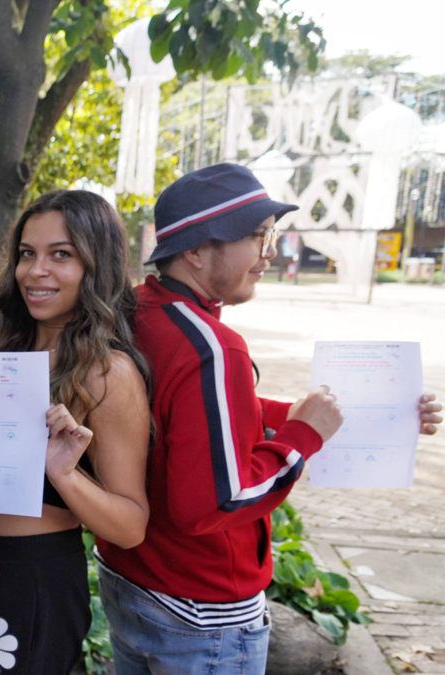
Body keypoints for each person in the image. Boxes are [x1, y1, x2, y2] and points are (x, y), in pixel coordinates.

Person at [97, 163, 443, 675]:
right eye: (258, 236)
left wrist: (361, 418)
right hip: (203, 612)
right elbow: (218, 500)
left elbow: (193, 417)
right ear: (197, 250)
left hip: (136, 583)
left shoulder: (137, 311)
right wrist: (303, 437)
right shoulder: (213, 348)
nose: (271, 252)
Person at [0, 191, 152, 675]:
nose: (35, 271)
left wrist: (65, 474)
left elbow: (131, 526)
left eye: (60, 254)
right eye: (27, 253)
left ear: (96, 265)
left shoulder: (107, 373)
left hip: (35, 577)